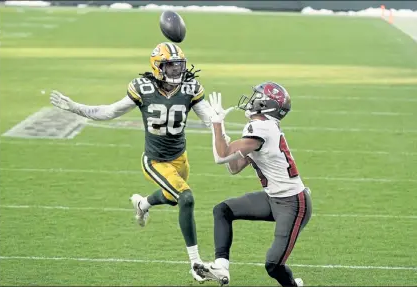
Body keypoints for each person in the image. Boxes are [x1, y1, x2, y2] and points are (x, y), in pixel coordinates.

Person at [50, 42, 214, 282]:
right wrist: (76, 108)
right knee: (185, 198)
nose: (176, 72)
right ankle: (195, 263)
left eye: (179, 66)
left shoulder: (191, 87)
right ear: (158, 67)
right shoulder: (142, 88)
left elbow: (209, 120)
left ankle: (143, 204)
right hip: (155, 160)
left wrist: (220, 127)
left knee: (171, 198)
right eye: (170, 67)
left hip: (180, 158)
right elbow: (109, 112)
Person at [194, 82, 312, 286]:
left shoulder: (260, 127)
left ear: (266, 104)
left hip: (293, 203)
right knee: (222, 210)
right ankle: (221, 266)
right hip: (273, 197)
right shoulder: (265, 127)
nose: (251, 100)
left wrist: (216, 123)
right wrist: (221, 131)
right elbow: (234, 167)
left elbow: (221, 156)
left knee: (273, 265)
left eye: (256, 96)